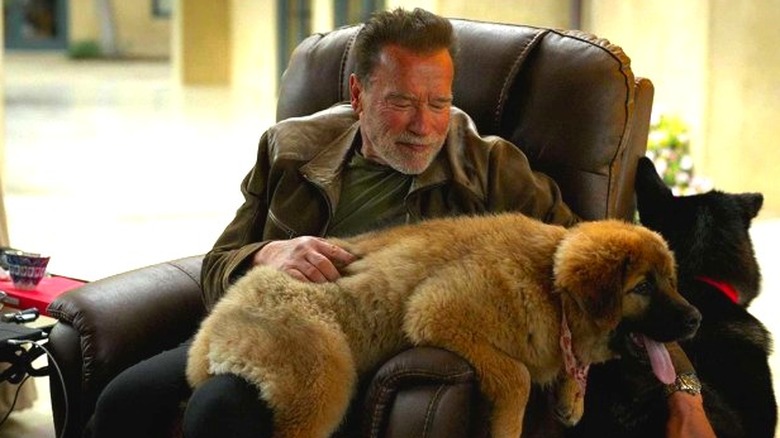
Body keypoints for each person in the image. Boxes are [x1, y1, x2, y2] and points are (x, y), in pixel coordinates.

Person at [90, 7, 715, 438]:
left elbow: (603, 263)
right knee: (122, 401)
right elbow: (218, 264)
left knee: (222, 410)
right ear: (359, 96)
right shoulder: (292, 148)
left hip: (370, 345)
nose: (424, 124)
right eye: (401, 102)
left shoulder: (492, 170)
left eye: (439, 102)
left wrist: (683, 388)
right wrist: (263, 256)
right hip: (271, 318)